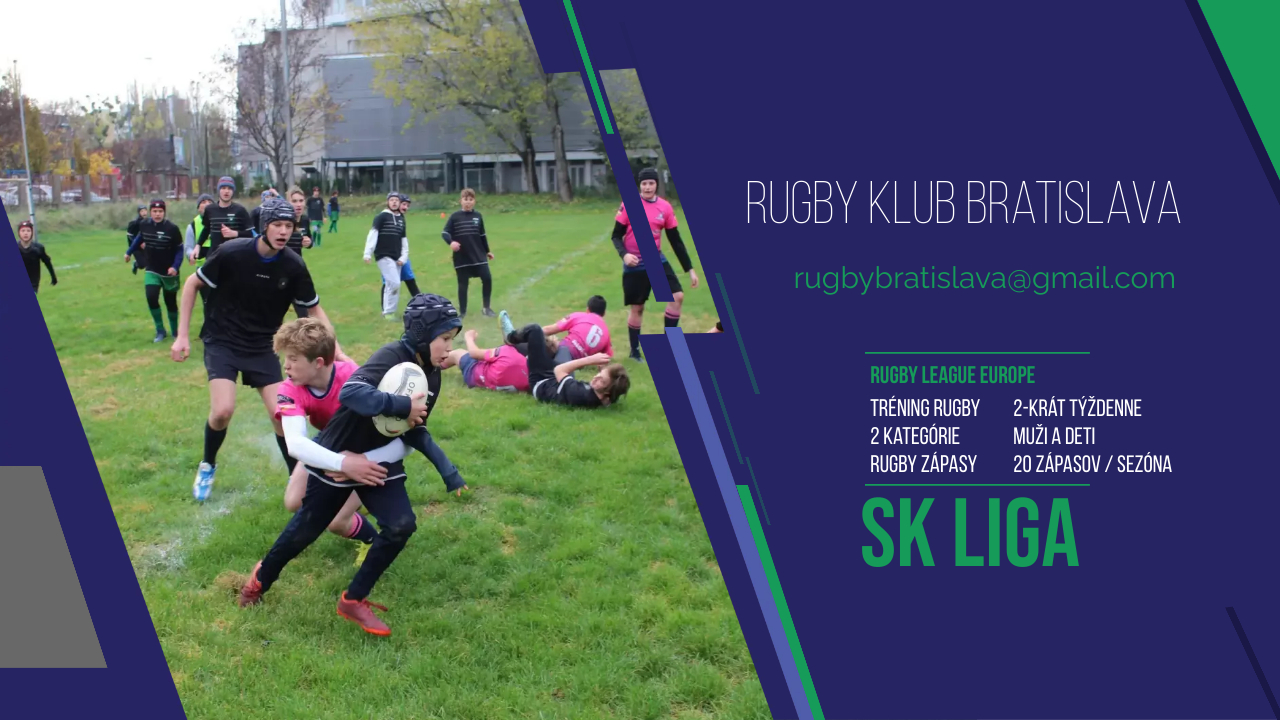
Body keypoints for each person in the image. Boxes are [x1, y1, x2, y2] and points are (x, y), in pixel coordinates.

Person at [238, 294, 469, 637]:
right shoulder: (391, 355)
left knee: (401, 525)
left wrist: (440, 470)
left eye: (452, 339)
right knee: (304, 530)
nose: (450, 347)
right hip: (335, 457)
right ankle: (260, 579)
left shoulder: (431, 377)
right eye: (445, 338)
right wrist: (347, 461)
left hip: (379, 459)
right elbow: (351, 396)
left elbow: (413, 432)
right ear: (422, 334)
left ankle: (353, 599)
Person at [171, 198, 348, 502]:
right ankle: (208, 465)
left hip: (262, 346)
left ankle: (298, 482)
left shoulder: (293, 265)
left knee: (282, 416)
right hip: (222, 340)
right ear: (263, 226)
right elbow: (191, 284)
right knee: (222, 411)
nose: (283, 231)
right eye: (277, 225)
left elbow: (313, 308)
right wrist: (182, 336)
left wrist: (337, 351)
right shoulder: (232, 252)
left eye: (288, 225)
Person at [273, 318, 413, 567]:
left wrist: (358, 462)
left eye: (293, 359)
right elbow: (295, 444)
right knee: (293, 501)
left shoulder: (353, 377)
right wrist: (341, 463)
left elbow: (397, 431)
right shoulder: (290, 387)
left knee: (336, 522)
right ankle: (358, 503)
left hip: (368, 451)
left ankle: (371, 539)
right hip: (332, 445)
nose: (286, 365)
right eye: (286, 358)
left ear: (318, 363)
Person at [611, 167, 699, 361]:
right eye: (644, 183)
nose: (647, 187)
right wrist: (624, 255)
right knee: (638, 308)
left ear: (656, 184)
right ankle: (634, 351)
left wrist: (690, 269)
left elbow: (675, 240)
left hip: (656, 260)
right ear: (640, 185)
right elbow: (616, 236)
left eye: (651, 183)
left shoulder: (665, 207)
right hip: (634, 263)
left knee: (677, 296)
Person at [499, 311, 629, 408]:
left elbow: (559, 370)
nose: (596, 378)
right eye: (599, 375)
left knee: (535, 330)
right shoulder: (604, 398)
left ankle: (510, 337)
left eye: (602, 381)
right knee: (556, 348)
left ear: (607, 391)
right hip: (555, 380)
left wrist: (590, 359)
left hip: (541, 381)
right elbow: (612, 393)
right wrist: (604, 372)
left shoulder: (581, 394)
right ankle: (526, 348)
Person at [125, 200, 185, 343]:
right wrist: (128, 252)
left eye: (160, 211)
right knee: (151, 297)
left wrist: (175, 267)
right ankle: (160, 331)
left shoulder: (172, 229)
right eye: (155, 211)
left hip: (169, 272)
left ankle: (175, 331)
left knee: (170, 302)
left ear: (164, 212)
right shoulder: (144, 225)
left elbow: (179, 250)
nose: (157, 214)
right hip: (152, 269)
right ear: (150, 212)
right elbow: (139, 238)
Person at [441, 328, 554, 394]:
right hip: (493, 385)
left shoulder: (507, 352)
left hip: (474, 374)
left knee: (457, 353)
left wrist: (469, 337)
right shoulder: (537, 374)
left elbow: (474, 353)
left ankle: (433, 365)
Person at [441, 187, 494, 319]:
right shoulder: (455, 217)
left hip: (478, 255)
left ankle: (486, 308)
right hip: (462, 257)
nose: (468, 202)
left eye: (471, 199)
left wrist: (487, 251)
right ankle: (463, 312)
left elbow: (482, 236)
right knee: (463, 284)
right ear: (461, 201)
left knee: (487, 278)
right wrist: (451, 242)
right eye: (465, 199)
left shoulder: (478, 216)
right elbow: (445, 233)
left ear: (474, 201)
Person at [364, 192, 408, 321]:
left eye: (396, 200)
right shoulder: (381, 217)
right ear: (388, 202)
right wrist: (367, 253)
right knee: (395, 283)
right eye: (392, 200)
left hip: (397, 257)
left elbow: (404, 240)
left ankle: (388, 313)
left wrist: (403, 257)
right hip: (383, 255)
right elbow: (373, 234)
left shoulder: (401, 219)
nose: (394, 202)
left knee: (391, 284)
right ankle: (389, 311)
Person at [539, 295, 613, 365]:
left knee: (549, 342)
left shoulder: (579, 316)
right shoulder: (606, 333)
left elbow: (548, 330)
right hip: (581, 361)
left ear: (587, 309)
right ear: (604, 313)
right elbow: (606, 358)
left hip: (566, 350)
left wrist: (534, 333)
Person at [379, 194, 421, 309]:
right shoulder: (385, 217)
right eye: (404, 204)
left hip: (401, 256)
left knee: (410, 279)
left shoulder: (401, 218)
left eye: (407, 205)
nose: (406, 207)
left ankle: (421, 303)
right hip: (388, 257)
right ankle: (385, 309)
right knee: (388, 283)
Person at [195, 177, 253, 260]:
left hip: (234, 257)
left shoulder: (240, 210)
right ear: (219, 190)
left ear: (233, 191)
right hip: (214, 256)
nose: (226, 191)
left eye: (229, 188)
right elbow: (206, 229)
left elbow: (250, 234)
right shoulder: (210, 209)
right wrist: (198, 245)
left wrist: (235, 233)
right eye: (223, 188)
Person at [17, 220, 55, 293]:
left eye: (28, 231)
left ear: (32, 233)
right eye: (23, 231)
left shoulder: (38, 248)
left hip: (33, 283)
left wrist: (53, 277)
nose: (25, 233)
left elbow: (47, 262)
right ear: (19, 233)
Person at [183, 194, 214, 266]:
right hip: (201, 267)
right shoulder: (192, 226)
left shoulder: (220, 221)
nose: (207, 204)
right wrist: (192, 255)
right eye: (203, 202)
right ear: (198, 208)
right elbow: (188, 247)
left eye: (210, 202)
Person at [127, 204, 147, 275]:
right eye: (142, 211)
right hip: (135, 246)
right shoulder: (134, 223)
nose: (144, 213)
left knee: (150, 261)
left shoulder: (148, 221)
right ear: (139, 212)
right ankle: (136, 264)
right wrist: (138, 243)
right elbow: (129, 235)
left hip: (145, 245)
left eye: (145, 211)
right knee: (142, 265)